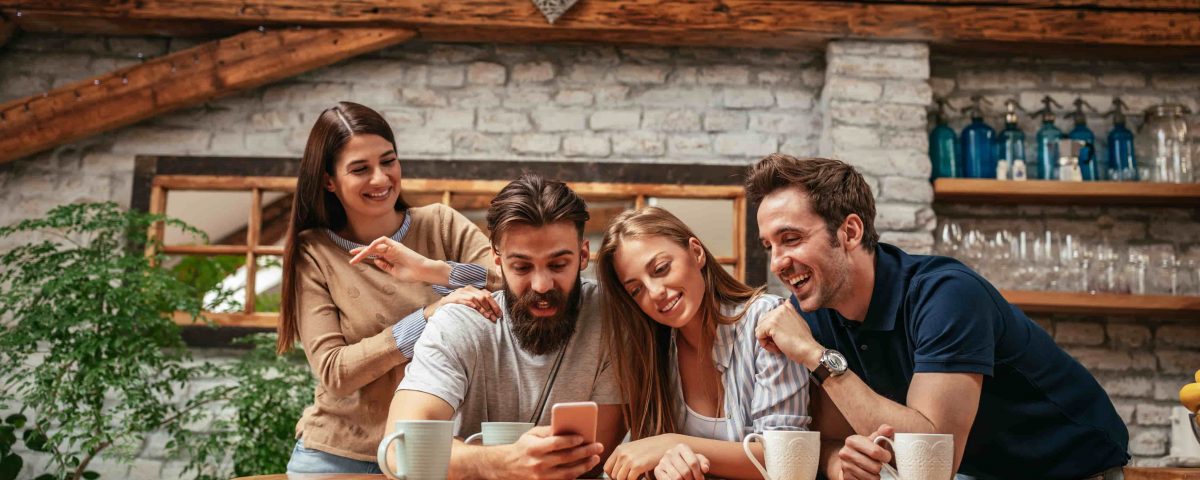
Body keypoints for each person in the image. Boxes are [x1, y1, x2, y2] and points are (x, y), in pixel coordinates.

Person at [747, 154, 1129, 480]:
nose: (778, 263)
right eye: (769, 246)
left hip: (1072, 469)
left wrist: (815, 356)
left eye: (791, 239)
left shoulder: (947, 295)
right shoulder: (814, 309)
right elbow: (832, 436)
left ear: (849, 231)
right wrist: (840, 462)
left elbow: (933, 458)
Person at [277, 101, 503, 474]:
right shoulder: (313, 253)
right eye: (360, 169)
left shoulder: (441, 225)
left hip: (432, 455)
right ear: (329, 180)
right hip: (338, 458)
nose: (381, 179)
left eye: (388, 161)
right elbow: (336, 372)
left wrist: (434, 271)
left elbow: (519, 281)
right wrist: (428, 319)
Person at [380, 173, 625, 480]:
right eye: (521, 266)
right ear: (497, 261)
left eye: (558, 264)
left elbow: (589, 461)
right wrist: (500, 462)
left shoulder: (611, 320)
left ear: (584, 255)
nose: (541, 284)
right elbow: (397, 453)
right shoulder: (459, 323)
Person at [596, 206, 810, 480]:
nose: (655, 292)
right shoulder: (653, 350)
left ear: (696, 252)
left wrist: (671, 444)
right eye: (636, 289)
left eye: (661, 268)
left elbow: (789, 460)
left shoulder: (766, 321)